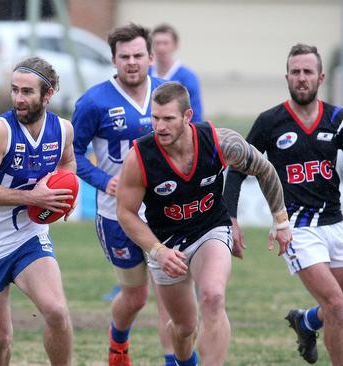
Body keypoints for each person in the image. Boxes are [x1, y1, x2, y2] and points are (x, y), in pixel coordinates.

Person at [116, 82, 292, 366]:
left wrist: (281, 221)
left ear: (187, 116)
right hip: (166, 243)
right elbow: (125, 213)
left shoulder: (219, 142)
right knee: (184, 328)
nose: (159, 126)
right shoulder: (140, 157)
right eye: (155, 118)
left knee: (212, 297)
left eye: (168, 119)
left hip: (210, 229)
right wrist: (158, 251)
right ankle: (183, 361)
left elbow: (264, 168)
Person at [223, 44, 343, 365]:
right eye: (295, 72)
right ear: (287, 77)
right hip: (296, 229)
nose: (301, 78)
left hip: (336, 222)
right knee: (336, 305)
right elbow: (237, 168)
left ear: (320, 77)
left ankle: (306, 322)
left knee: (340, 306)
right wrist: (231, 218)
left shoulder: (336, 118)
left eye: (307, 72)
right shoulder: (270, 122)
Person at [0, 56, 75, 366]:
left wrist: (67, 191)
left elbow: (67, 163)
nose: (18, 99)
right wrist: (32, 199)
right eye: (15, 90)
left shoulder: (63, 130)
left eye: (27, 92)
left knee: (57, 312)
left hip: (29, 238)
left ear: (48, 94)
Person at [71, 23, 173, 365]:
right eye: (124, 56)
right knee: (134, 296)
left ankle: (174, 360)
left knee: (169, 296)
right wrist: (104, 181)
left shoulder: (168, 95)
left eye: (137, 55)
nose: (131, 62)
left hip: (164, 213)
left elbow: (190, 145)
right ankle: (118, 343)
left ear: (150, 58)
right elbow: (73, 155)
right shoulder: (94, 101)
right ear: (113, 60)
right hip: (118, 215)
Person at [149, 23, 203, 122]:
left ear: (175, 45)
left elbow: (196, 115)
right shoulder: (145, 74)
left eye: (165, 43)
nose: (161, 48)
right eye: (157, 43)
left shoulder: (188, 77)